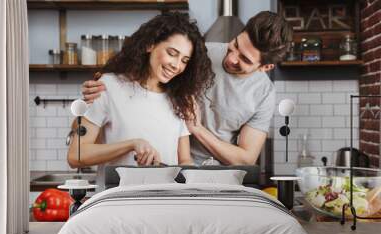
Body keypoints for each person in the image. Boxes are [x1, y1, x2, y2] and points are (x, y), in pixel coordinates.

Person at [81, 11, 293, 166]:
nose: (231, 58)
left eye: (245, 60)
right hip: (165, 163)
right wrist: (107, 80)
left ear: (265, 67)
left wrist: (197, 129)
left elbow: (246, 159)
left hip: (214, 173)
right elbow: (146, 68)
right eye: (235, 44)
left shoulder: (264, 94)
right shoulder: (198, 54)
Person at [67, 12, 214, 189]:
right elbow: (76, 155)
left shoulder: (180, 98)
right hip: (118, 204)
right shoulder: (108, 86)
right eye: (172, 53)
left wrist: (201, 178)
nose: (177, 65)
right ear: (150, 45)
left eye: (184, 60)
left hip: (165, 202)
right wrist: (132, 144)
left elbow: (184, 160)